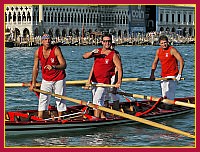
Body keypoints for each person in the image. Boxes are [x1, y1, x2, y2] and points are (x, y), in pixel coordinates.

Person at [82, 33, 123, 118]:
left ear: (111, 42)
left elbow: (119, 68)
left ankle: (96, 119)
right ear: (102, 42)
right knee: (97, 101)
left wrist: (118, 82)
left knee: (97, 100)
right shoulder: (97, 51)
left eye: (108, 41)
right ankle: (101, 116)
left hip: (104, 82)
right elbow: (84, 56)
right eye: (105, 41)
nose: (107, 43)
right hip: (95, 81)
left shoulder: (114, 54)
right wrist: (92, 52)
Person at [29, 34, 67, 119]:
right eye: (45, 40)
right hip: (46, 78)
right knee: (43, 99)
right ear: (42, 41)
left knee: (59, 98)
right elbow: (35, 68)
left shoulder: (56, 50)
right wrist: (33, 83)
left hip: (59, 78)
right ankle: (40, 118)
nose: (47, 41)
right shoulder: (38, 51)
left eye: (49, 39)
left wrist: (54, 67)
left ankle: (60, 118)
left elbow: (64, 65)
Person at [150, 35, 184, 106]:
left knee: (169, 95)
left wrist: (180, 74)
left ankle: (169, 106)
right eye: (162, 43)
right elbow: (155, 62)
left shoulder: (172, 50)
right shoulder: (158, 51)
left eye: (165, 42)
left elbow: (181, 61)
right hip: (163, 76)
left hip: (172, 76)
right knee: (164, 94)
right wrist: (152, 74)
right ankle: (165, 106)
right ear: (159, 44)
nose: (164, 44)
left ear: (168, 42)